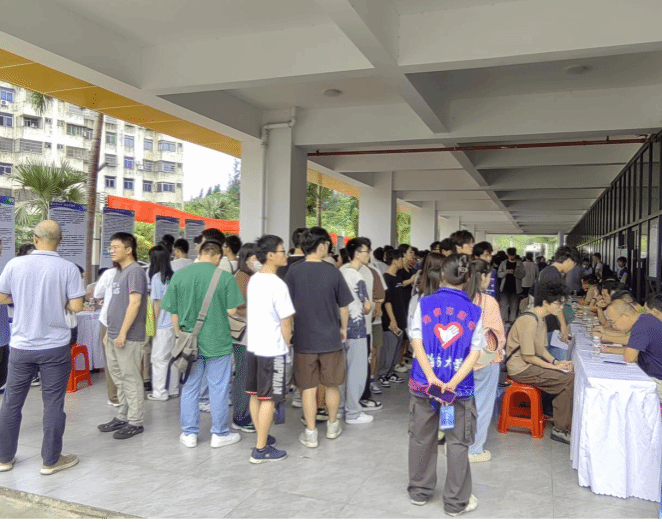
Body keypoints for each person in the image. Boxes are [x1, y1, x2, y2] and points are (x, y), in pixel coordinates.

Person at [0, 220, 85, 475]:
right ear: (60, 241)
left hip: (21, 347)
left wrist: (22, 298)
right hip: (55, 347)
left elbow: (1, 296)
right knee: (53, 403)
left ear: (35, 239)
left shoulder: (15, 264)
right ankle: (51, 460)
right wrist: (58, 301)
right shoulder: (68, 268)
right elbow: (77, 306)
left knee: (11, 403)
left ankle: (4, 458)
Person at [407, 254, 485, 515]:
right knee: (457, 442)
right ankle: (455, 503)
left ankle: (419, 492)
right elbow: (475, 352)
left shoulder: (425, 303)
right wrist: (451, 383)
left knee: (422, 437)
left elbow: (416, 341)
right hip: (457, 392)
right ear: (468, 278)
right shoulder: (474, 311)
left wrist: (431, 378)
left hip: (424, 385)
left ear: (441, 275)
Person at [161, 239, 244, 449]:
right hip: (218, 341)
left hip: (189, 343)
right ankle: (219, 433)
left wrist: (180, 335)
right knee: (219, 388)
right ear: (217, 257)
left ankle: (189, 434)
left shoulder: (180, 275)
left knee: (190, 387)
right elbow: (232, 311)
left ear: (200, 255)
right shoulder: (225, 277)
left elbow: (173, 311)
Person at [284, 227, 353, 448]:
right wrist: (343, 328)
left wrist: (290, 331)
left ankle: (311, 432)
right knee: (332, 386)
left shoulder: (293, 271)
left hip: (304, 339)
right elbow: (344, 307)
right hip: (331, 338)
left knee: (308, 388)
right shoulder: (333, 271)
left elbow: (287, 308)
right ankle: (332, 426)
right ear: (322, 246)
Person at [505, 280, 574, 444]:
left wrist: (556, 362)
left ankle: (559, 420)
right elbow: (528, 356)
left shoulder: (540, 318)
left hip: (528, 365)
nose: (560, 308)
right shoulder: (529, 320)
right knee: (568, 380)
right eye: (558, 304)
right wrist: (553, 367)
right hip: (520, 368)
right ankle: (560, 429)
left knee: (567, 375)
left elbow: (541, 349)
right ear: (545, 302)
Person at [246, 235, 294, 463]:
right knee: (269, 399)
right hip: (272, 349)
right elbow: (286, 322)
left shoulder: (255, 279)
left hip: (253, 346)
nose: (286, 255)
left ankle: (261, 436)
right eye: (283, 251)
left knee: (255, 395)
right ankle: (261, 449)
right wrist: (287, 344)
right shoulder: (278, 285)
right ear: (271, 256)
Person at [97, 233, 149, 440]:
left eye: (115, 247)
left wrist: (123, 333)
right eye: (110, 247)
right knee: (119, 378)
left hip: (128, 336)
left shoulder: (135, 271)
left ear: (129, 250)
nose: (111, 250)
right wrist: (110, 332)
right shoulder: (120, 272)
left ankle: (135, 421)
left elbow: (135, 303)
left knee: (131, 379)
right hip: (114, 334)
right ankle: (122, 415)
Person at [465, 260, 506, 463]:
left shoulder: (456, 299)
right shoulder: (488, 302)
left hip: (459, 363)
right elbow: (497, 334)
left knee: (452, 404)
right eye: (488, 276)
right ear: (482, 276)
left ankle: (453, 445)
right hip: (484, 361)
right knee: (482, 406)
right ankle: (474, 450)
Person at [339, 238, 374, 425]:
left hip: (342, 328)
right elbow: (367, 306)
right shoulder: (357, 276)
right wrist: (366, 306)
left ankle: (340, 408)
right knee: (357, 371)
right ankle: (353, 412)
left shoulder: (341, 272)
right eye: (366, 251)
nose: (368, 255)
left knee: (343, 371)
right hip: (357, 327)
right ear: (357, 254)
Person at [602, 298, 662, 401]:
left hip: (657, 381)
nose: (613, 326)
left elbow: (630, 357)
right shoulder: (644, 320)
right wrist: (606, 349)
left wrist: (607, 347)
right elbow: (632, 350)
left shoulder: (642, 325)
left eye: (613, 322)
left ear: (625, 316)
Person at [231, 243, 259, 433]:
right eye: (255, 257)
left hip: (250, 334)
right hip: (243, 335)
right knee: (243, 375)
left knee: (248, 375)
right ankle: (240, 417)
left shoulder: (250, 276)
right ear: (247, 258)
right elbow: (238, 307)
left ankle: (246, 413)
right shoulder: (242, 277)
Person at [146, 245, 178, 401]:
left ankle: (160, 392)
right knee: (173, 358)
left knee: (158, 359)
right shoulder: (176, 276)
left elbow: (157, 304)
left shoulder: (157, 278)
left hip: (162, 324)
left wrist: (153, 325)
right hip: (175, 324)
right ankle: (173, 389)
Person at [535, 246, 579, 347]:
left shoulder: (550, 271)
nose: (573, 268)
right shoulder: (552, 273)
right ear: (568, 260)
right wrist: (563, 325)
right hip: (549, 322)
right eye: (574, 264)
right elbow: (555, 301)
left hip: (548, 320)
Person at [378, 249, 407, 388]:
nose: (403, 261)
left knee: (396, 349)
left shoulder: (398, 278)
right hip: (391, 321)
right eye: (401, 259)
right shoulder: (386, 278)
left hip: (400, 319)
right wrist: (392, 319)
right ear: (394, 260)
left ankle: (391, 373)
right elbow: (387, 301)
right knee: (388, 349)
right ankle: (383, 374)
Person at [93, 265, 120, 407]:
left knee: (111, 360)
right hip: (123, 321)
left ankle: (114, 396)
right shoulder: (137, 272)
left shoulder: (110, 274)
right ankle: (118, 396)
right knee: (125, 360)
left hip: (111, 321)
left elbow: (98, 293)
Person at [497, 248, 525, 324]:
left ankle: (512, 320)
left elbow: (522, 274)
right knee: (503, 305)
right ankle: (504, 319)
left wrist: (515, 273)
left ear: (515, 254)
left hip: (515, 288)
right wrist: (506, 272)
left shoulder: (519, 263)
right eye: (510, 255)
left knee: (514, 305)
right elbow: (499, 274)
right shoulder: (503, 263)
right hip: (504, 287)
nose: (511, 257)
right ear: (507, 255)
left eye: (513, 255)